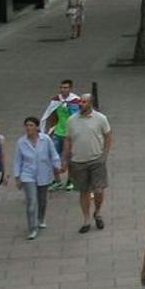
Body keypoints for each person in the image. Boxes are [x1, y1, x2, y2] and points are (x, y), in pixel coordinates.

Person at [63, 94, 112, 233]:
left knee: (98, 189)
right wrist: (65, 159)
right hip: (78, 161)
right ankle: (86, 219)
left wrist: (105, 155)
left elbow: (108, 136)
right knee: (83, 191)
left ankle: (97, 212)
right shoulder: (72, 120)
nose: (81, 104)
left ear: (90, 103)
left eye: (84, 102)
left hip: (96, 159)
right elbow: (67, 139)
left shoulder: (100, 119)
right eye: (80, 102)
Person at [11, 116, 61, 240]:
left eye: (31, 125)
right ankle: (32, 228)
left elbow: (53, 154)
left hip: (43, 173)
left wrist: (57, 166)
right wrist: (17, 177)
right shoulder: (21, 142)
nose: (28, 128)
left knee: (42, 199)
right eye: (27, 125)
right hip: (28, 175)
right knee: (31, 202)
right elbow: (18, 160)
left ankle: (41, 218)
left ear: (37, 127)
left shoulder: (46, 139)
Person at [39, 80, 80, 190]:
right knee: (53, 157)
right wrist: (48, 129)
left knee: (70, 158)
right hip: (57, 132)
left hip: (70, 134)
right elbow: (50, 114)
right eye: (61, 87)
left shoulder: (75, 101)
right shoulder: (56, 100)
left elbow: (77, 117)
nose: (63, 90)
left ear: (70, 88)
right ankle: (56, 180)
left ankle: (70, 181)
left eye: (66, 87)